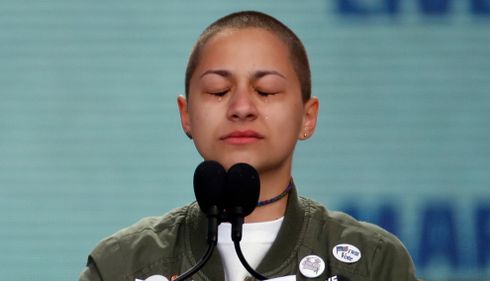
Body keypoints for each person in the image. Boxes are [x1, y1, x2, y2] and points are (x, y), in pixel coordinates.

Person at [79, 11, 421, 281]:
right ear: (187, 116)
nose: (242, 107)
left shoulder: (373, 262)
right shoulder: (122, 265)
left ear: (308, 116)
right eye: (218, 91)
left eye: (267, 91)